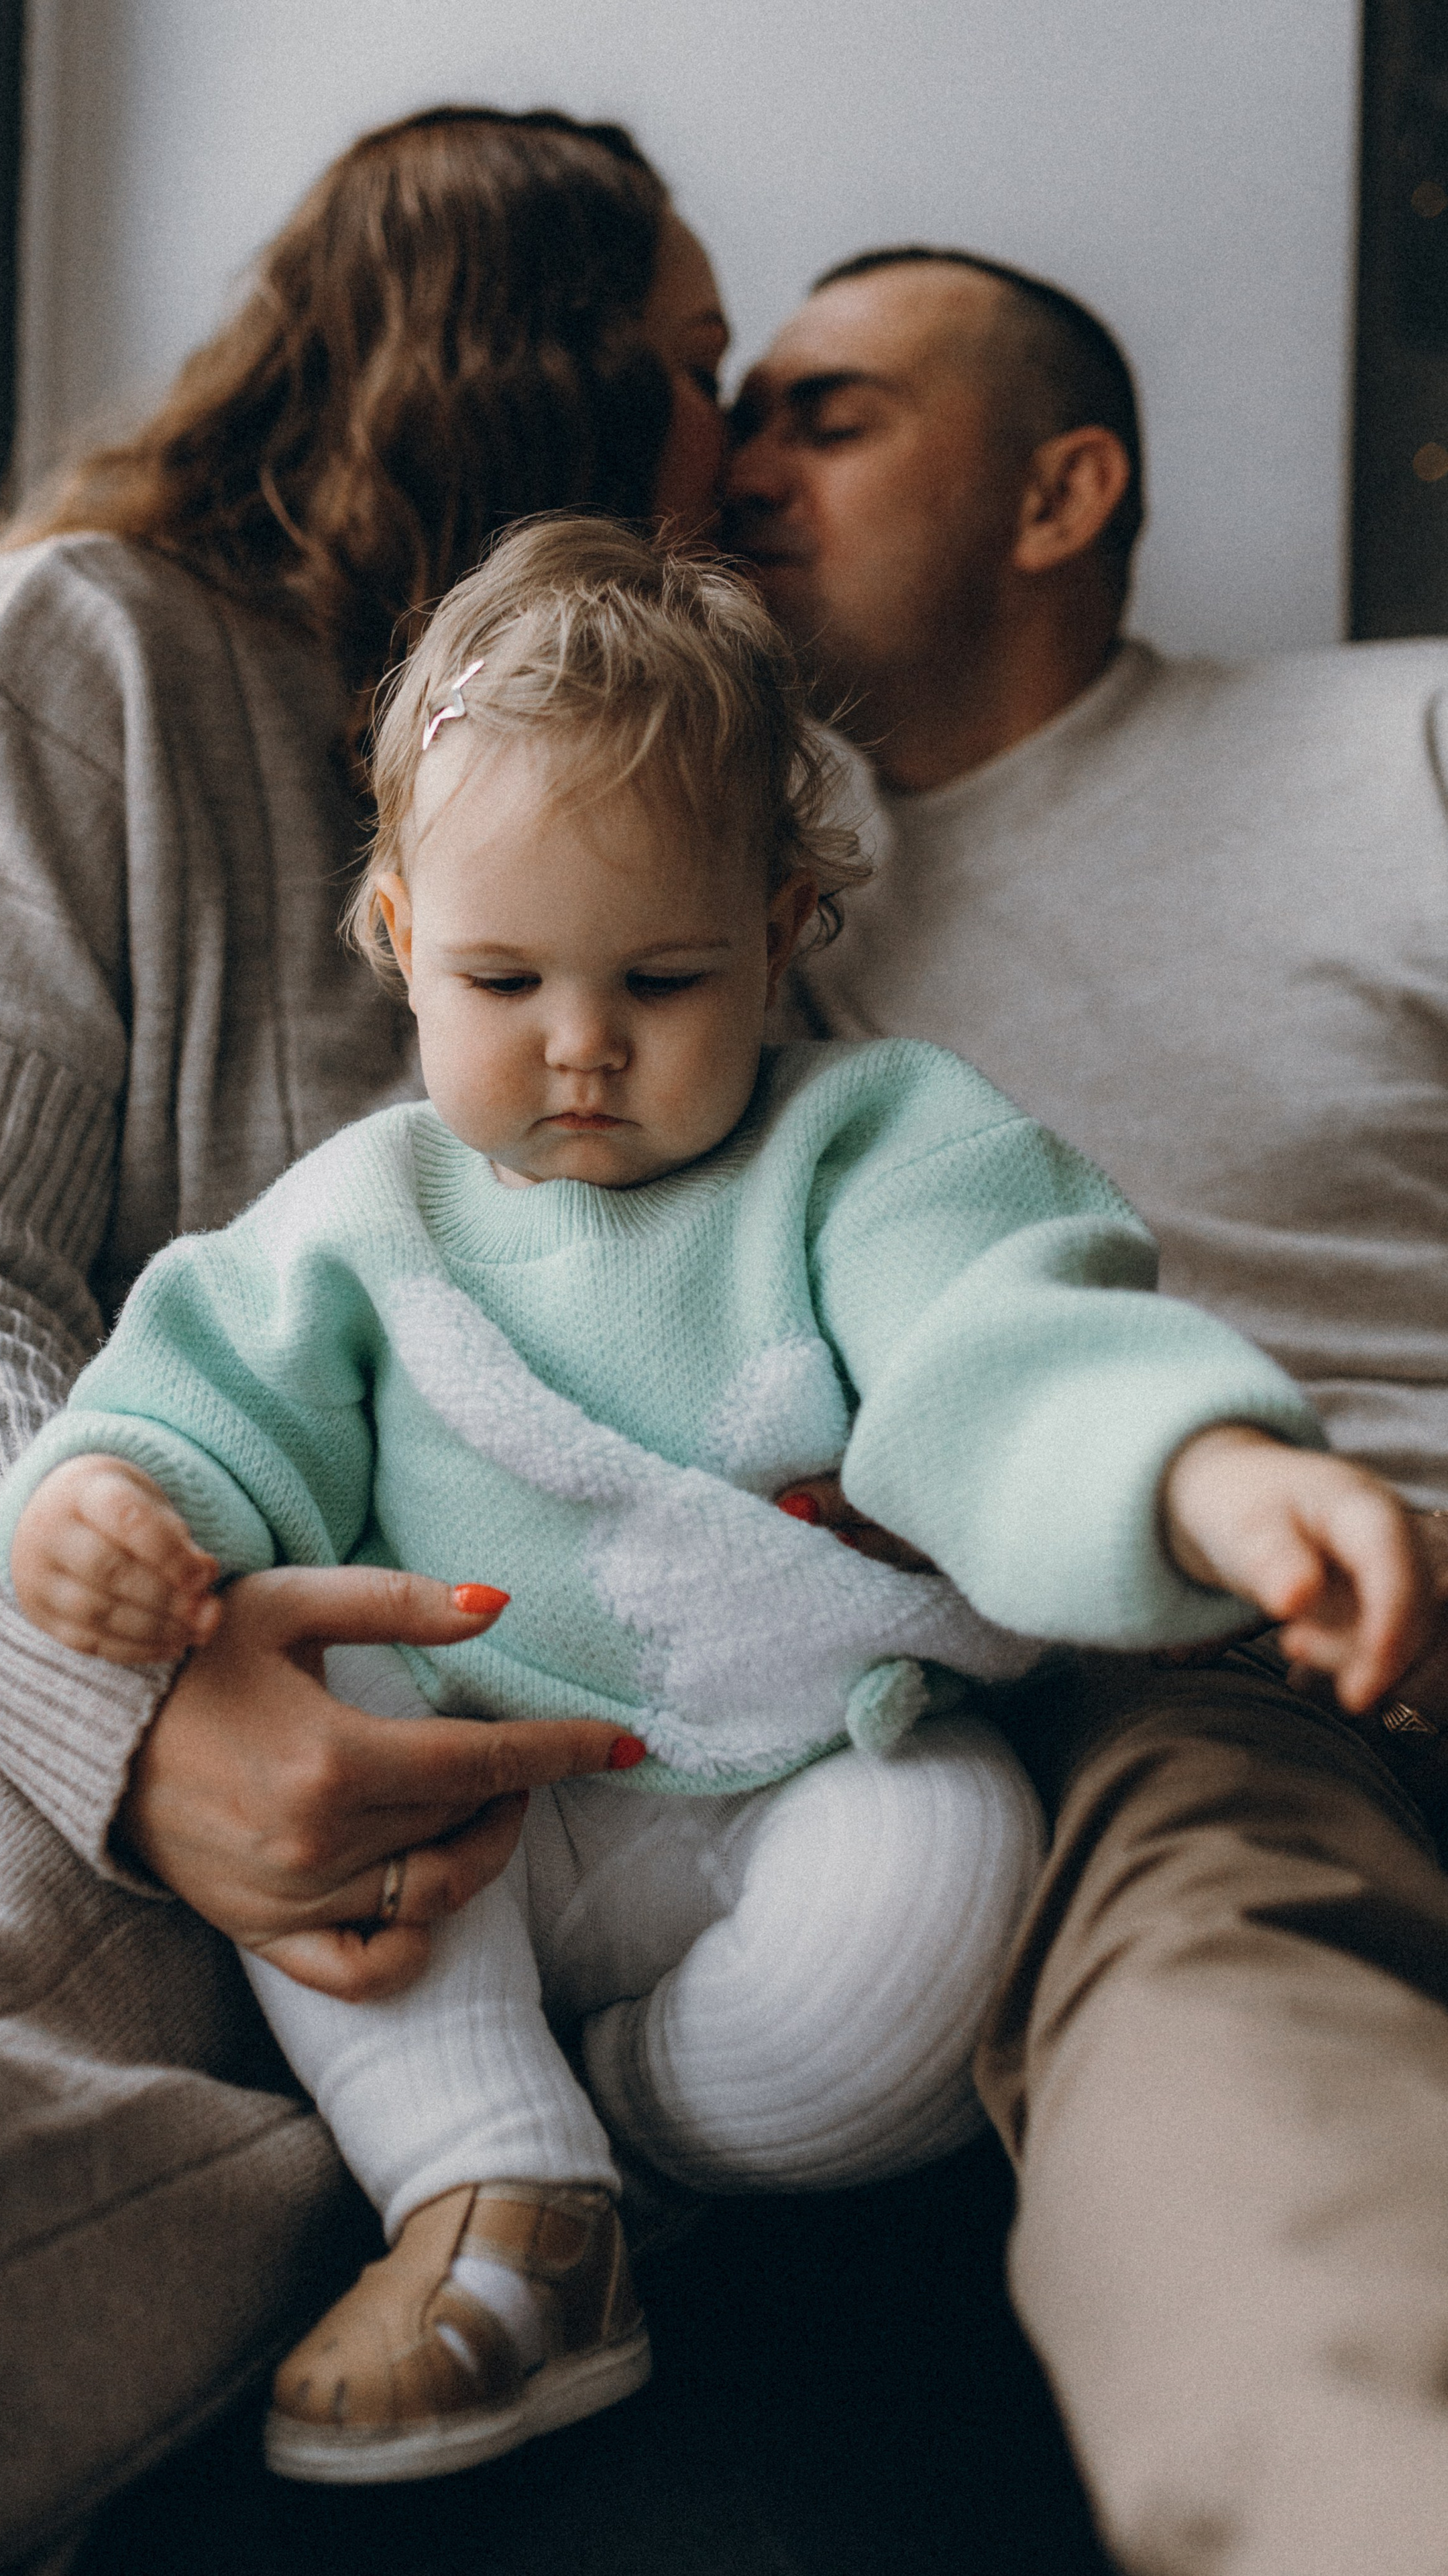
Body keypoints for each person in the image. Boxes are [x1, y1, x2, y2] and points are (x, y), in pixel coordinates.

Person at [0, 515, 1423, 2487]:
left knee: (957, 1858)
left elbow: (1002, 1348)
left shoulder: (871, 1149)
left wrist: (1208, 1473)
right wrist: (104, 1503)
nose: (582, 1045)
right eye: (503, 977)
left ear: (781, 927)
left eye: (664, 978)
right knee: (317, 1699)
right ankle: (482, 2173)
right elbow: (202, 1401)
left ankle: (594, 2171)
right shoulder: (362, 1217)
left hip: (795, 1784)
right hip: (474, 1809)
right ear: (397, 932)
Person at [0, 109, 736, 2576]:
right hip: (67, 1638)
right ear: (537, 370)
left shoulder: (704, 807)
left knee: (57, 2064)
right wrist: (144, 1720)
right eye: (696, 366)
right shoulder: (81, 647)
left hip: (489, 1739)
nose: (730, 446)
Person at [728, 244, 1448, 2575]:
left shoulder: (1402, 747)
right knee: (1215, 2040)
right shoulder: (745, 937)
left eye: (830, 415)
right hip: (1201, 1680)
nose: (743, 464)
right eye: (739, 412)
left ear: (1061, 495)